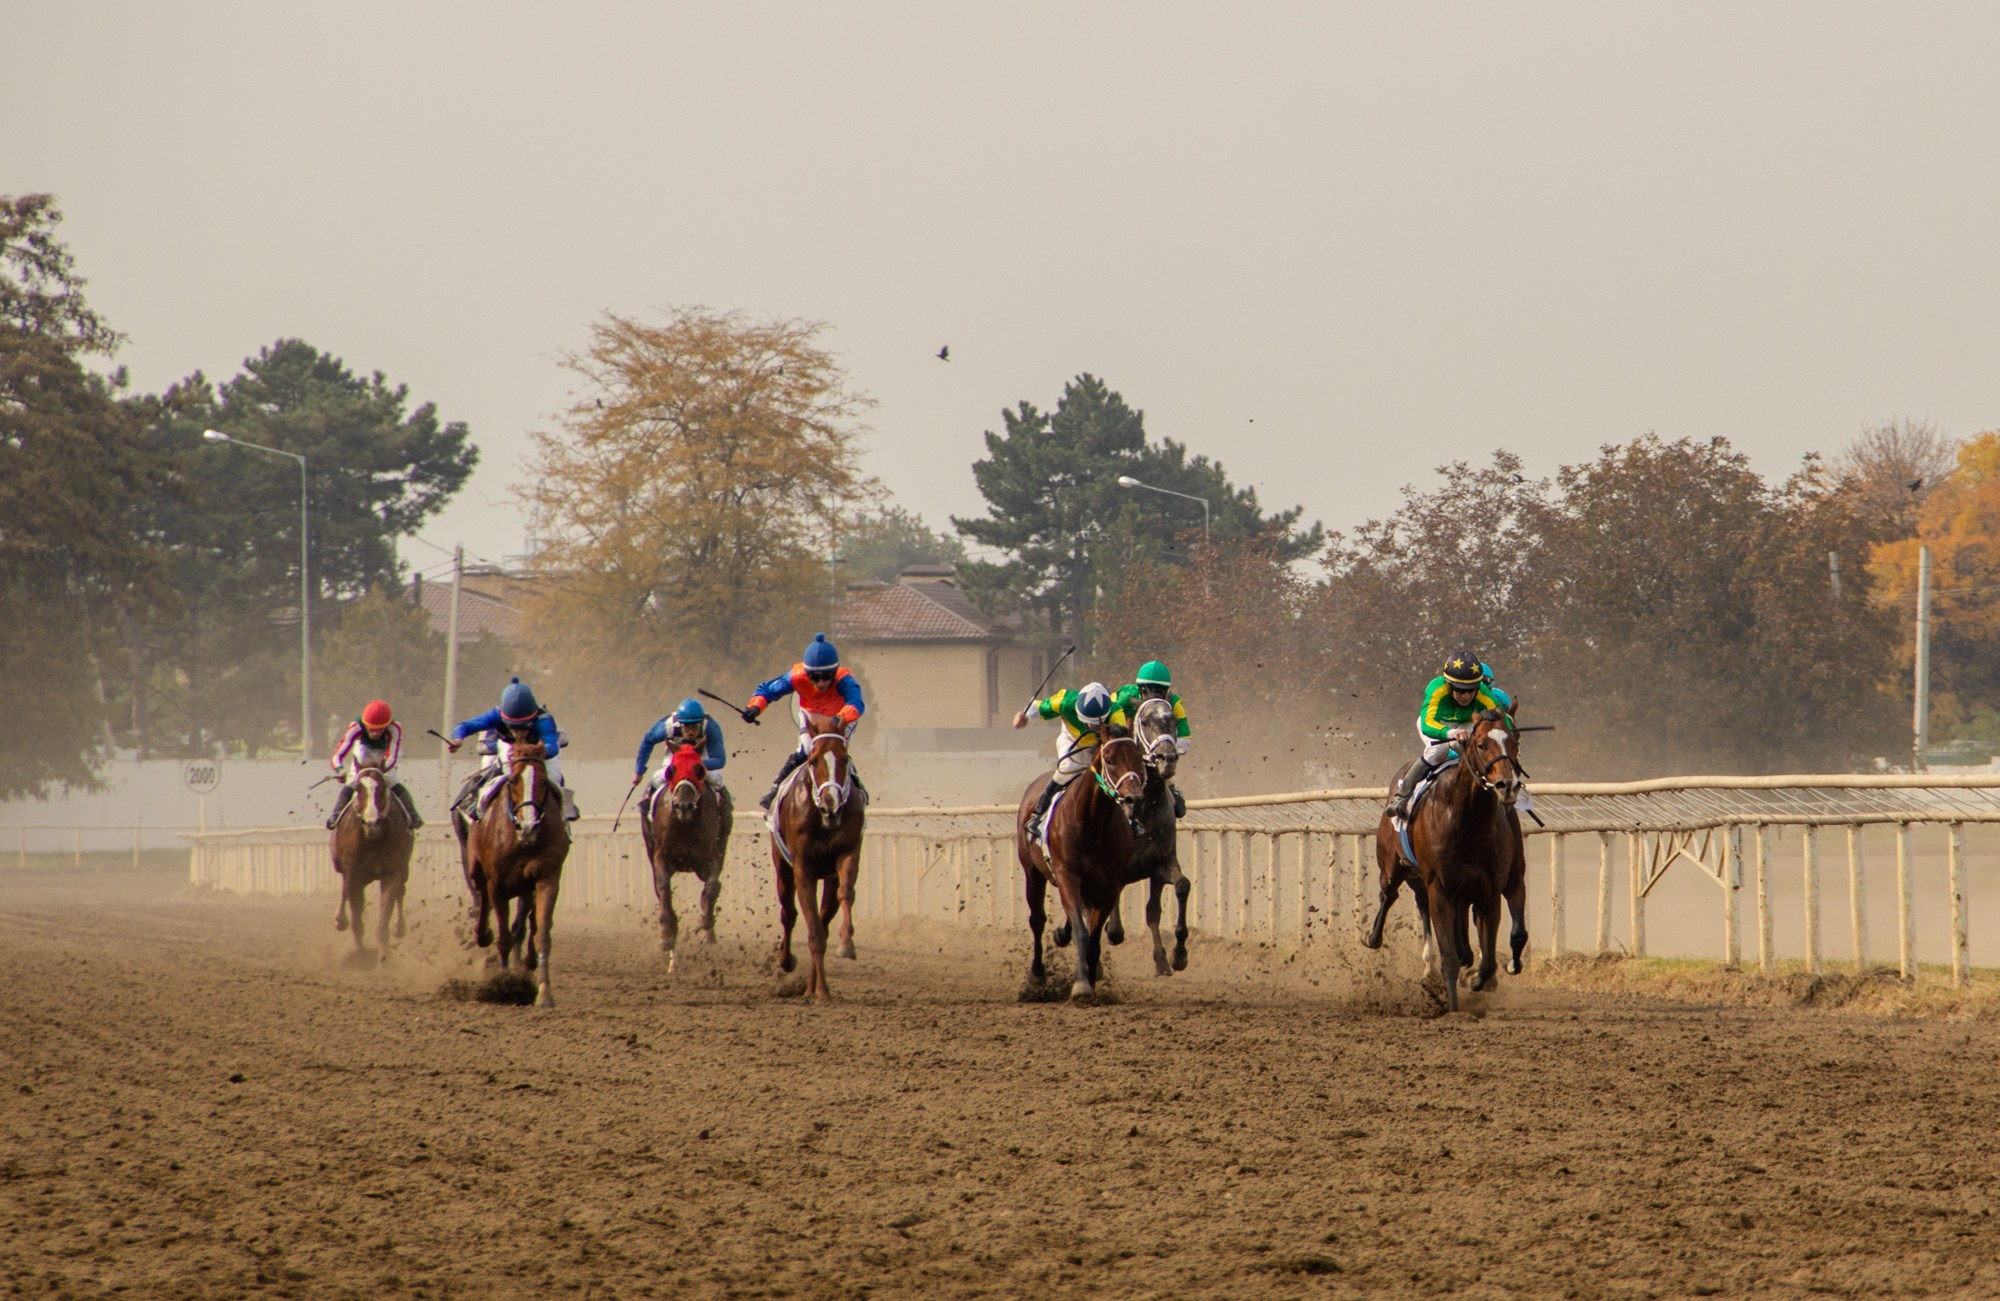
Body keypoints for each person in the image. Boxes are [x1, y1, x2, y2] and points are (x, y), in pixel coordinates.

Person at [742, 633, 866, 810]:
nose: (821, 683)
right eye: (814, 678)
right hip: (811, 715)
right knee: (807, 749)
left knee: (835, 750)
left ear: (835, 672)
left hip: (841, 716)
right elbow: (767, 690)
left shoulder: (844, 679)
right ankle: (776, 788)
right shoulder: (796, 675)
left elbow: (857, 703)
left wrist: (841, 717)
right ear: (807, 674)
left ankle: (858, 788)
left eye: (826, 677)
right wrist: (755, 707)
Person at [1384, 651, 1511, 819]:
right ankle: (1400, 796)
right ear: (1449, 685)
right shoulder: (1436, 689)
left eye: (1470, 691)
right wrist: (1451, 733)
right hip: (1437, 724)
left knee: (1476, 753)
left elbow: (1503, 722)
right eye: (1459, 690)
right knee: (1438, 752)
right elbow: (1427, 724)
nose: (1465, 696)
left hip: (1464, 722)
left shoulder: (1482, 693)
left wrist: (1507, 737)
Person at [446, 676, 578, 823]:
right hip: (503, 747)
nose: (519, 732)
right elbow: (465, 726)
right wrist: (458, 738)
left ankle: (563, 816)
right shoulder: (496, 714)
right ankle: (478, 811)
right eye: (513, 727)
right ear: (504, 718)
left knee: (554, 774)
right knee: (488, 768)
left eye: (524, 727)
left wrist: (533, 752)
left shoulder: (543, 719)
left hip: (536, 752)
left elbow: (552, 746)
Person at [1013, 681, 1126, 841]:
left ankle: (1129, 818)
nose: (1089, 726)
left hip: (1100, 744)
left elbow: (1118, 745)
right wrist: (1025, 716)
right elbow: (1037, 707)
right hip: (1072, 741)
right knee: (1067, 768)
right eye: (1086, 721)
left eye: (1094, 724)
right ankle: (1038, 814)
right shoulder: (1065, 701)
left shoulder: (1116, 714)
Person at [1111, 659, 1192, 818]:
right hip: (1126, 748)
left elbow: (1185, 738)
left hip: (1155, 752)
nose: (1153, 696)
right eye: (1148, 691)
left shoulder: (1174, 704)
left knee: (1178, 809)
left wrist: (1162, 750)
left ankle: (1171, 786)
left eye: (1160, 691)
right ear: (1140, 690)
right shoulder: (1123, 698)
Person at [326, 699, 422, 829]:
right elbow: (337, 755)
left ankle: (413, 814)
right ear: (365, 724)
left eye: (380, 729)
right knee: (353, 780)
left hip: (385, 752)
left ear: (387, 725)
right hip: (363, 748)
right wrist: (340, 770)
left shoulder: (395, 727)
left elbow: (392, 756)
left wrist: (381, 770)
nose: (376, 733)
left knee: (392, 780)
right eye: (371, 729)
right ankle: (335, 815)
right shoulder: (356, 727)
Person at [633, 698, 728, 808]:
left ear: (701, 722)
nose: (691, 731)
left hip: (699, 759)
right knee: (657, 777)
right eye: (687, 727)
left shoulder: (711, 727)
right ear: (680, 723)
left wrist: (694, 764)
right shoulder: (668, 726)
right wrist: (639, 772)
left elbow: (720, 760)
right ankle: (647, 801)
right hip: (674, 759)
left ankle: (726, 806)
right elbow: (647, 742)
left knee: (716, 778)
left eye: (695, 726)